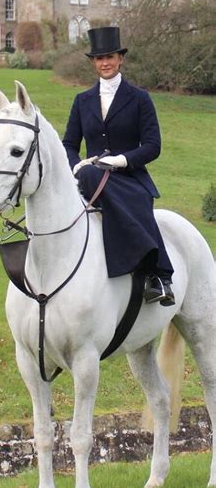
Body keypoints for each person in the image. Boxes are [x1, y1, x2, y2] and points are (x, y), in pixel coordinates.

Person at [62, 26, 175, 306]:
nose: (105, 63)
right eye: (99, 59)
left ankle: (160, 275)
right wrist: (77, 166)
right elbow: (68, 144)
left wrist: (122, 160)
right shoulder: (82, 100)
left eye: (110, 57)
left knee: (132, 198)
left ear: (120, 59)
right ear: (93, 63)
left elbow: (153, 145)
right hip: (89, 177)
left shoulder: (140, 99)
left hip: (130, 177)